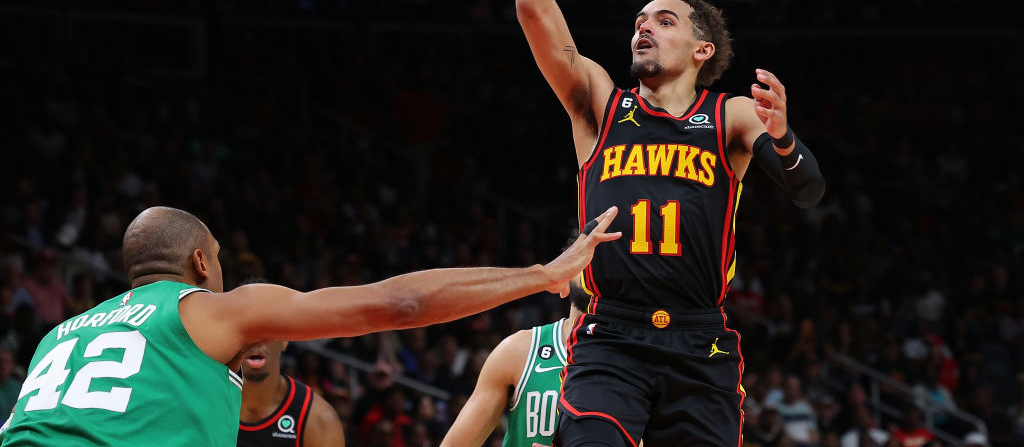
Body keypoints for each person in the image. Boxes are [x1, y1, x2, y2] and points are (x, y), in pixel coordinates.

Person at [514, 0, 826, 447]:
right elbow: (531, 5)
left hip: (700, 341)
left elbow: (808, 189)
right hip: (612, 337)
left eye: (664, 20)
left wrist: (783, 137)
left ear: (701, 50)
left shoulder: (731, 115)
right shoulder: (600, 103)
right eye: (639, 20)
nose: (643, 26)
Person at [0, 204, 620, 446]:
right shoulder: (210, 308)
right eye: (219, 260)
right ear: (199, 263)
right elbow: (398, 306)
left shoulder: (63, 333)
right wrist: (542, 274)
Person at [439, 276, 590, 447]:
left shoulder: (626, 361)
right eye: (589, 259)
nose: (600, 269)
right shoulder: (519, 350)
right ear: (566, 276)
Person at [237, 278, 345, 447]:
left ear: (285, 338)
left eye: (266, 326)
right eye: (248, 327)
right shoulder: (202, 407)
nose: (256, 340)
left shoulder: (318, 419)